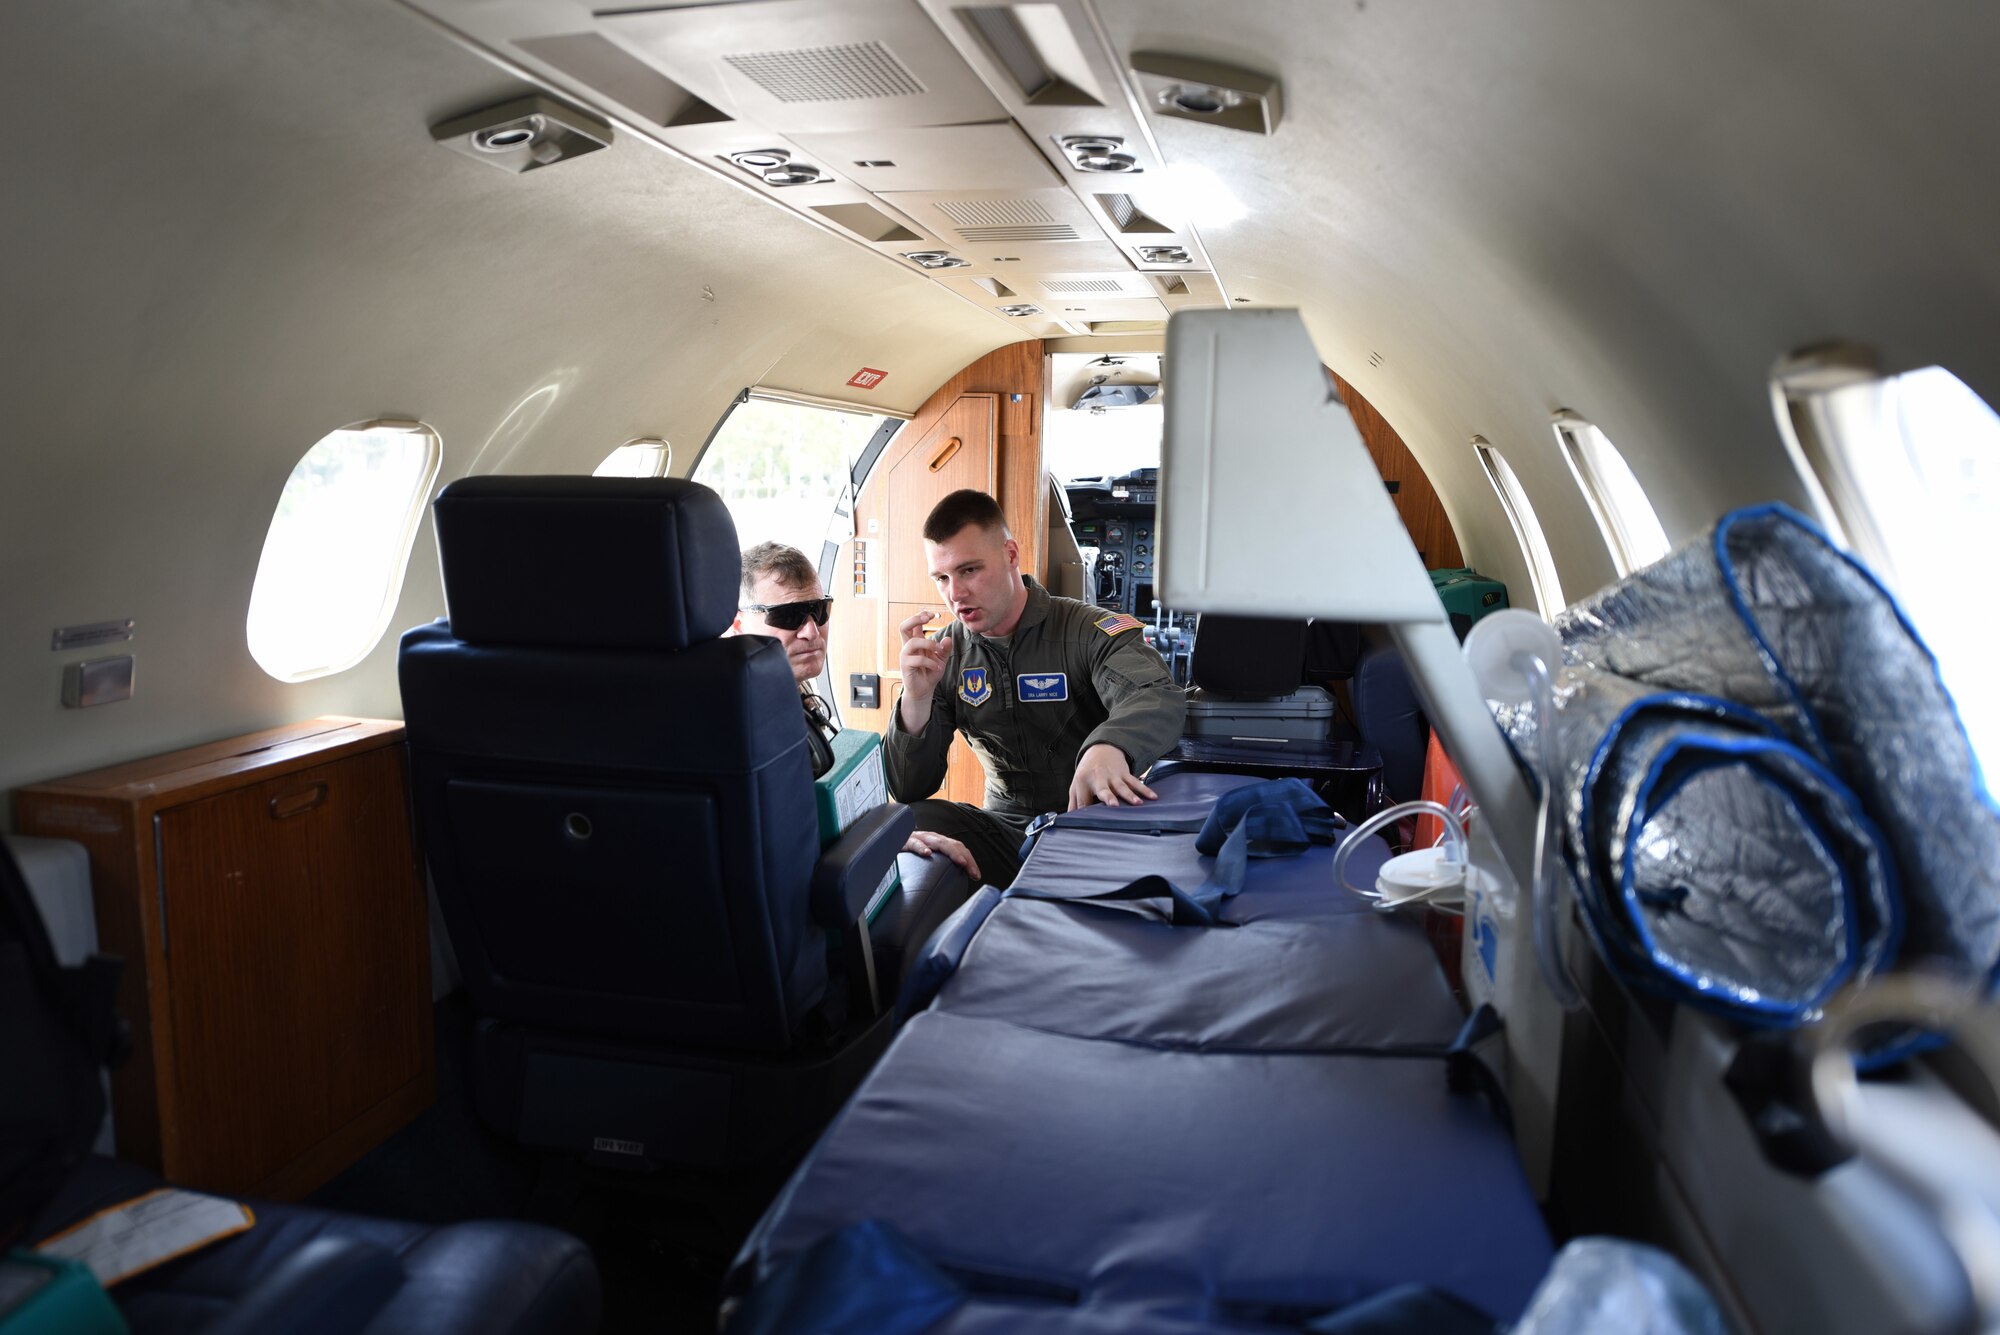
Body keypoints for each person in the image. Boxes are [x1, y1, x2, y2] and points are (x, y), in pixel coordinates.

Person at [886, 489, 1188, 888]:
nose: (955, 594)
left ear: (1011, 554)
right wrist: (916, 700)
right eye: (942, 578)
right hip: (1004, 833)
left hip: (1091, 826)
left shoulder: (1087, 631)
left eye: (970, 570)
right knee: (913, 820)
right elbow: (910, 787)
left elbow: (1156, 693)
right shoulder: (944, 654)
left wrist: (1109, 746)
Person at [729, 541, 980, 879]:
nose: (811, 631)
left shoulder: (792, 697)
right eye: (787, 616)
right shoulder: (738, 716)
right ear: (739, 624)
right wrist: (875, 839)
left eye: (819, 611)